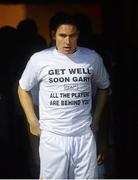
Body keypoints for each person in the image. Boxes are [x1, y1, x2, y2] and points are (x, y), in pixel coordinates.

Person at [18, 12, 110, 179]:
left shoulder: (91, 58)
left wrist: (96, 119)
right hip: (53, 136)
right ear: (53, 35)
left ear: (78, 35)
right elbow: (23, 88)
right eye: (62, 35)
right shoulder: (39, 59)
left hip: (83, 135)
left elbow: (104, 87)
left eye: (72, 36)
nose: (67, 41)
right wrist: (32, 120)